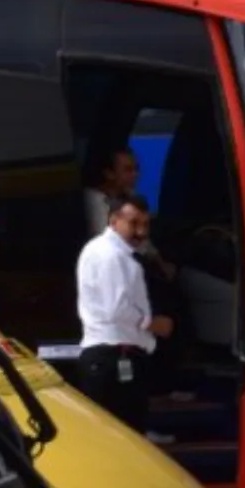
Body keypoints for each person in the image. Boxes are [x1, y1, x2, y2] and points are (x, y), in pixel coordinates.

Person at [76, 194, 173, 437]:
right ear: (113, 220)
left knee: (127, 433)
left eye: (145, 224)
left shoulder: (116, 254)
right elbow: (116, 309)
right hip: (112, 357)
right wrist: (152, 324)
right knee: (121, 437)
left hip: (118, 356)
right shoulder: (110, 255)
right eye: (133, 223)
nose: (140, 231)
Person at [85, 145, 140, 236]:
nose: (135, 175)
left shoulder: (130, 197)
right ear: (109, 173)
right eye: (128, 170)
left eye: (136, 169)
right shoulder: (94, 204)